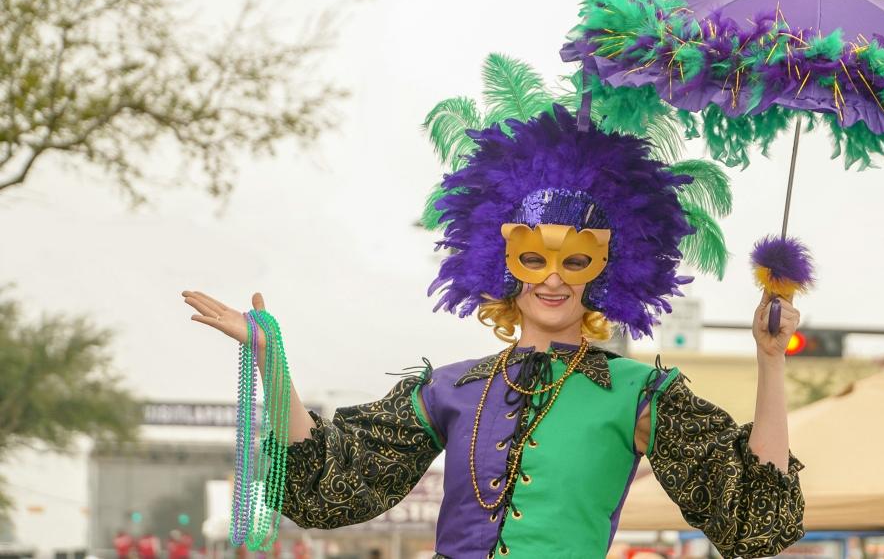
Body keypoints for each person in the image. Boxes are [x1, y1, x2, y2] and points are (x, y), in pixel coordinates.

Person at [184, 106, 805, 557]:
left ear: (606, 271)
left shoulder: (638, 394)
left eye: (575, 261)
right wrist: (271, 360)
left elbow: (754, 518)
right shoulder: (451, 389)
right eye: (534, 259)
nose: (553, 279)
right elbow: (331, 483)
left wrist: (770, 360)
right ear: (503, 265)